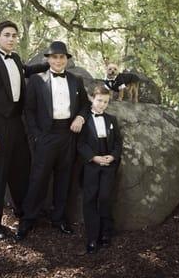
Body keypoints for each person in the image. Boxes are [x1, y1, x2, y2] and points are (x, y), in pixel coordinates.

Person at [0, 20, 49, 239]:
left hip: (17, 124)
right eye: (6, 34)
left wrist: (49, 64)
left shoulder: (15, 58)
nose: (11, 38)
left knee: (21, 171)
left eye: (14, 35)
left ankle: (24, 212)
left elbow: (26, 70)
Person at [15, 41, 90, 240]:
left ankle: (59, 219)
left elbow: (85, 105)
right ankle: (28, 220)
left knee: (64, 178)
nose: (58, 60)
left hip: (69, 134)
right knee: (38, 178)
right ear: (48, 59)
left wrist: (80, 117)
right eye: (54, 57)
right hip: (46, 136)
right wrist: (37, 136)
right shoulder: (37, 80)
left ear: (67, 59)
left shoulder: (76, 80)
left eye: (62, 57)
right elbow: (29, 111)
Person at [77, 85, 122, 254]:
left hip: (108, 164)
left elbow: (118, 142)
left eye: (105, 102)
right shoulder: (84, 119)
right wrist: (93, 158)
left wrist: (113, 156)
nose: (102, 105)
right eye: (99, 101)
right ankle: (92, 237)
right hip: (91, 165)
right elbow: (80, 144)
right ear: (92, 99)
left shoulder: (111, 120)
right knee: (89, 199)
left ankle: (106, 232)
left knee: (104, 197)